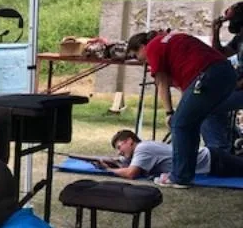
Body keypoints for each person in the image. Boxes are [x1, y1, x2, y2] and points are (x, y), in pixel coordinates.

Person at [126, 30, 239, 187]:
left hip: (207, 76)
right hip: (227, 74)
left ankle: (180, 177)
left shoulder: (153, 47)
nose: (140, 61)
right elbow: (187, 89)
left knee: (179, 124)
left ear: (142, 46)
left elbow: (161, 83)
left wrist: (169, 112)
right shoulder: (172, 39)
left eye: (135, 55)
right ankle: (216, 156)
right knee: (192, 120)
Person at [102, 129, 243, 183]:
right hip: (212, 160)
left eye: (119, 147)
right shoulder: (142, 147)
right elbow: (124, 162)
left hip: (213, 161)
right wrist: (114, 162)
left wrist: (108, 170)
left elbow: (131, 173)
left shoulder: (143, 149)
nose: (119, 152)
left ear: (130, 141)